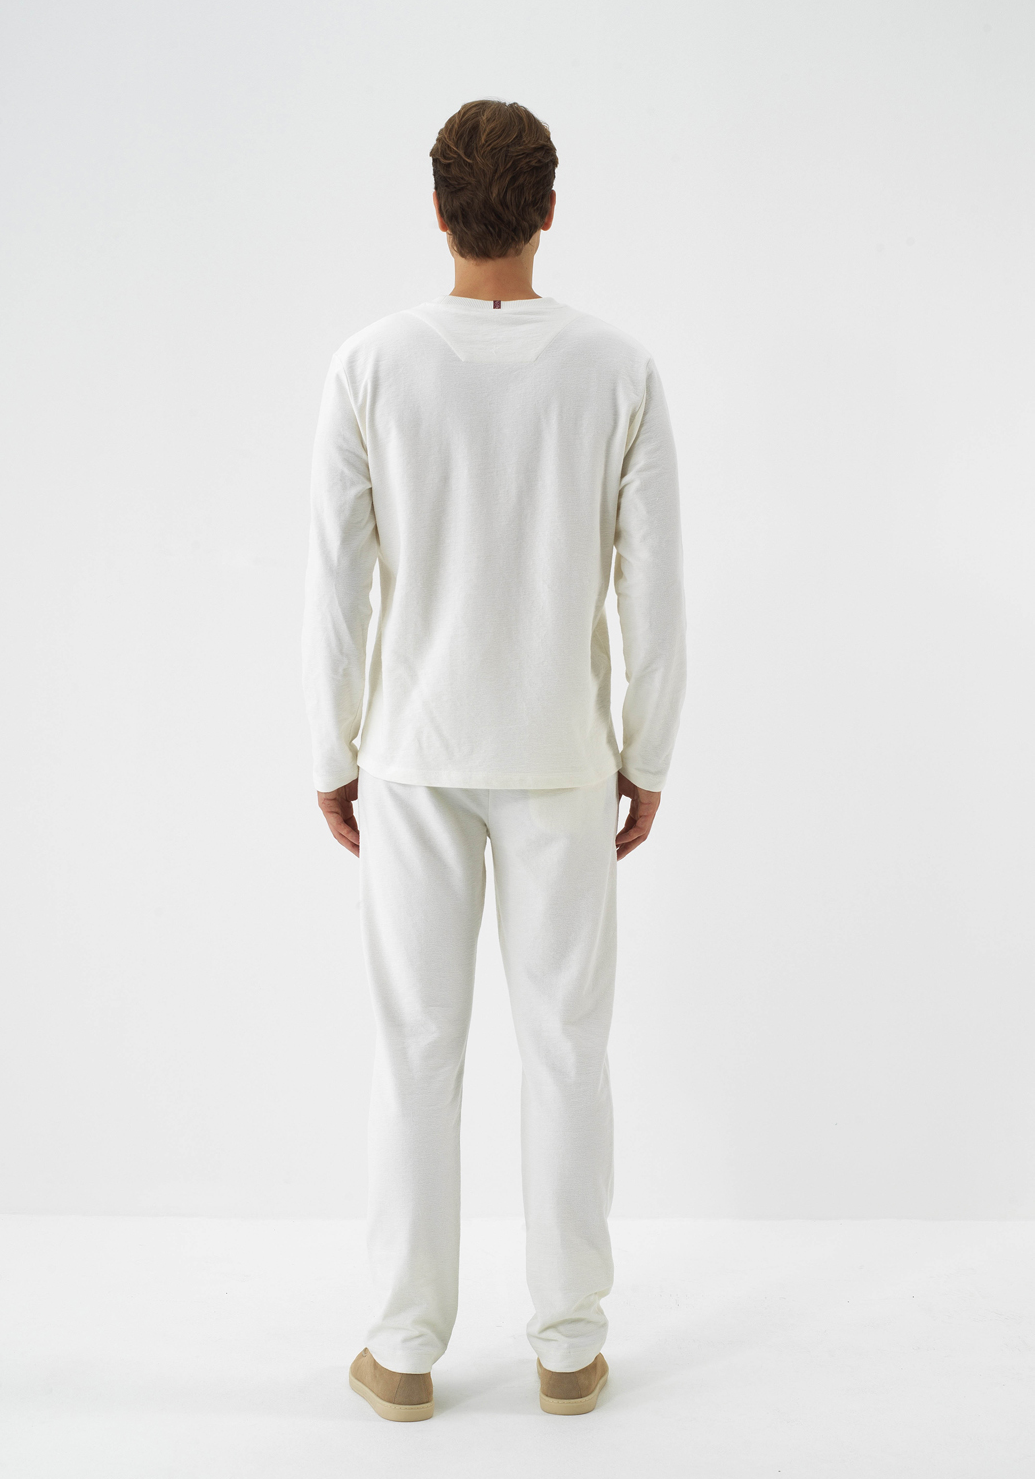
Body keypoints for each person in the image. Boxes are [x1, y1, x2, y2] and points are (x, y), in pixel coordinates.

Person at [301, 98, 686, 1421]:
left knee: (416, 1047)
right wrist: (646, 749)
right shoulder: (618, 369)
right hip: (563, 752)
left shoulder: (370, 364)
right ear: (549, 209)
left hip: (413, 751)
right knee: (566, 1048)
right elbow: (653, 589)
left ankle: (404, 1350)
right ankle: (569, 1346)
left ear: (437, 209)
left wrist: (330, 746)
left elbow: (335, 583)